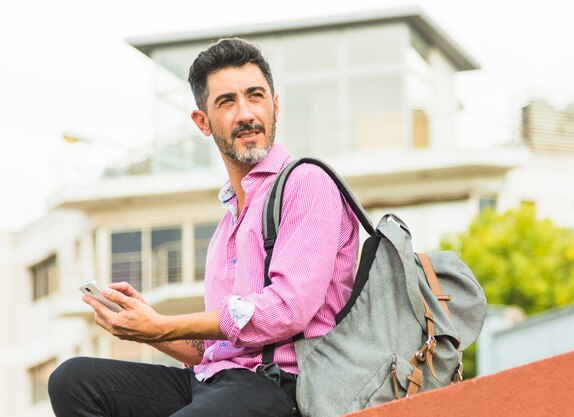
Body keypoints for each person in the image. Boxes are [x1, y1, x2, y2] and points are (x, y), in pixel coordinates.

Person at [48, 37, 359, 417]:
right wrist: (148, 326)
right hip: (213, 382)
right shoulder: (226, 226)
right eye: (227, 102)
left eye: (255, 96)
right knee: (74, 380)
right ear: (203, 121)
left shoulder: (305, 182)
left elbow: (285, 310)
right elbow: (213, 351)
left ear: (275, 106)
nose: (245, 113)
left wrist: (163, 325)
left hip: (282, 385)